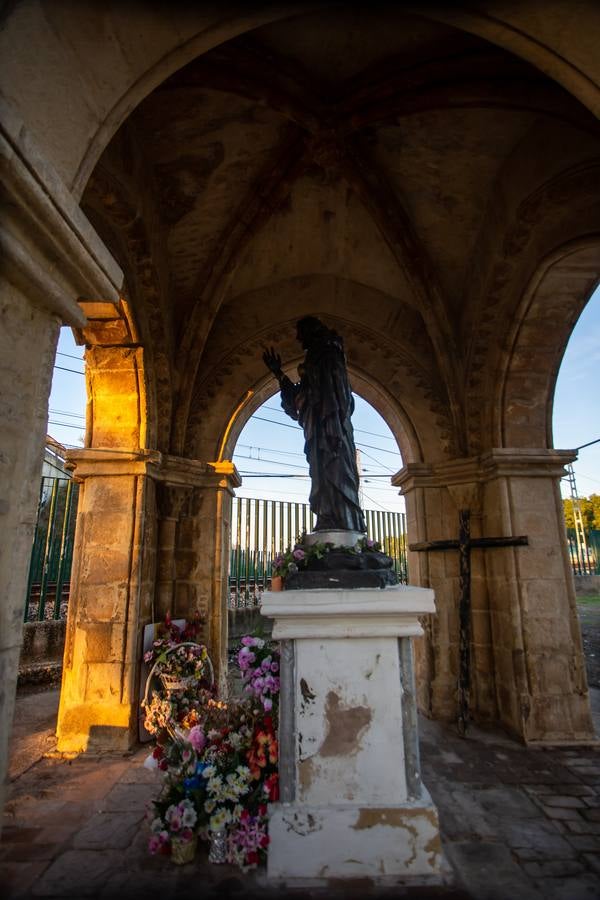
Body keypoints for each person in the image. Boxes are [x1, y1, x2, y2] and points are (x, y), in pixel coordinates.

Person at [263, 316, 366, 534]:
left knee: (339, 472)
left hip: (333, 429)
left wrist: (333, 423)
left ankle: (345, 524)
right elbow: (299, 399)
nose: (299, 340)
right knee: (320, 472)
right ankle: (327, 517)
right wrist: (278, 373)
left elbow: (338, 392)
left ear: (312, 332)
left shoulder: (328, 354)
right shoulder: (315, 359)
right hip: (318, 429)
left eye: (301, 334)